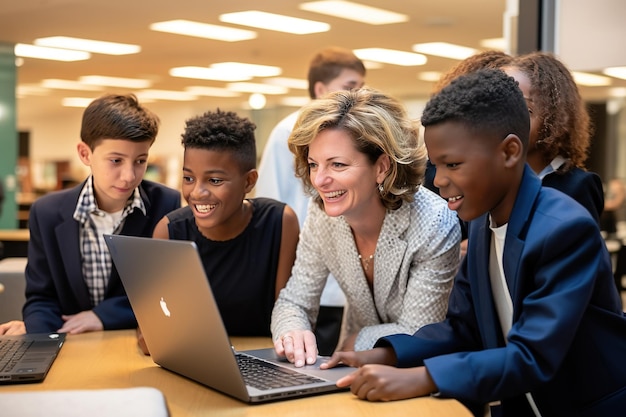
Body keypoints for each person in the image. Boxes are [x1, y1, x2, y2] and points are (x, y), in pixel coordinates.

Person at [321, 69, 626, 416]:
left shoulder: (564, 229)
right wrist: (385, 354)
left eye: (453, 164)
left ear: (510, 152)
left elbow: (533, 356)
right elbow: (463, 328)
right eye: (436, 166)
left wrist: (423, 379)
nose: (440, 182)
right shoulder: (482, 221)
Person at [271, 87, 461, 368]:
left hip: (421, 373)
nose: (320, 181)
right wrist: (292, 332)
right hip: (353, 366)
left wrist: (358, 340)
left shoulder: (434, 221)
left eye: (337, 164)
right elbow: (294, 300)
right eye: (314, 164)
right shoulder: (322, 214)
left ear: (382, 167)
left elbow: (418, 331)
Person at [0, 94, 181, 336]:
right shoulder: (47, 213)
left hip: (133, 342)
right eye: (116, 160)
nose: (129, 175)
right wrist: (41, 338)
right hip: (69, 343)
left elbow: (166, 290)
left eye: (140, 161)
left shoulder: (165, 204)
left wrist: (102, 316)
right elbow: (41, 298)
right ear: (85, 154)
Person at [146, 109, 299, 348]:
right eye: (188, 178)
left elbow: (287, 317)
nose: (197, 193)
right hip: (194, 358)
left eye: (214, 180)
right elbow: (150, 337)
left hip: (264, 358)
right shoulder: (169, 231)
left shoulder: (279, 222)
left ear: (249, 181)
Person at [257, 46, 366, 355]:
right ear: (320, 89)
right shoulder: (287, 133)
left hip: (352, 281)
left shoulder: (359, 132)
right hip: (308, 277)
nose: (359, 93)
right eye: (350, 86)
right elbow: (270, 206)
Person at [501, 51, 604, 225]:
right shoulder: (496, 178)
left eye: (525, 110)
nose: (509, 119)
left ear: (554, 118)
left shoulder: (577, 185)